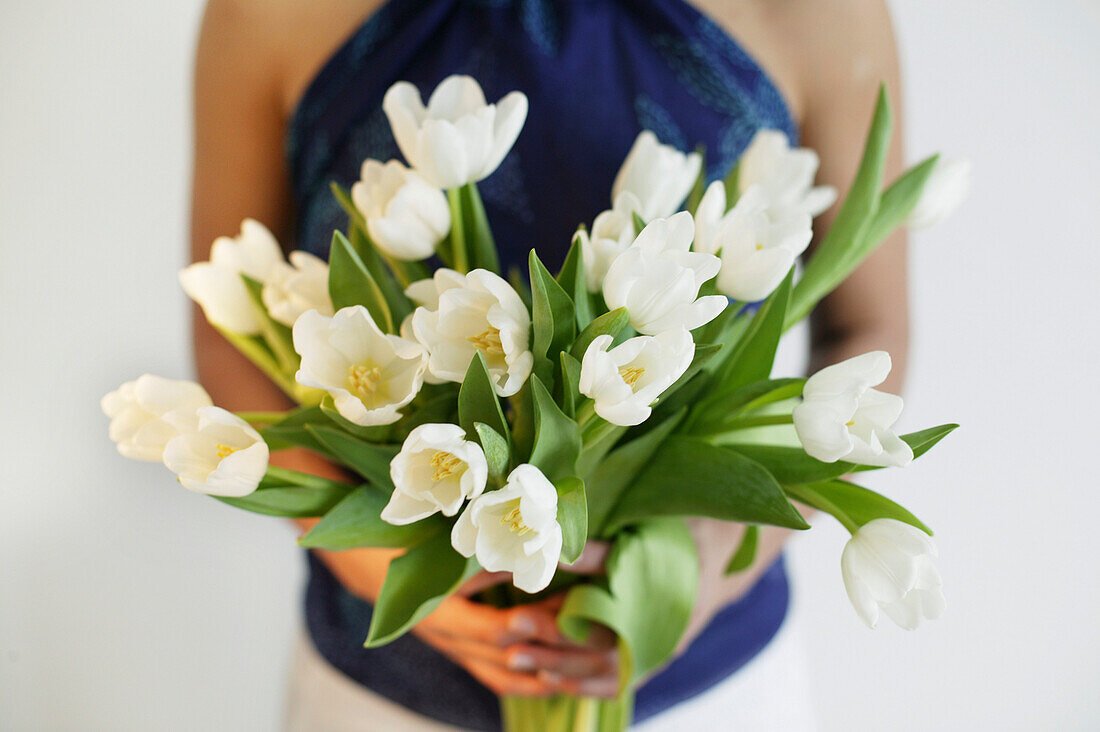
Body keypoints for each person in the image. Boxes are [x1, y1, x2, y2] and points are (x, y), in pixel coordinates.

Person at [190, 0, 909, 728]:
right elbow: (228, 322)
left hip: (709, 684)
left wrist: (712, 562)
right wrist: (374, 562)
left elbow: (869, 330)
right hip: (385, 683)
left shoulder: (822, 12)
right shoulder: (267, 12)